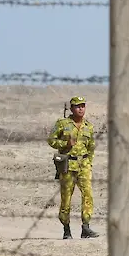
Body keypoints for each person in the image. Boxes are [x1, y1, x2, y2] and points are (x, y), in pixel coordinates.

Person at [46, 95, 99, 240]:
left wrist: (89, 162)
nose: (81, 108)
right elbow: (51, 140)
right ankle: (66, 229)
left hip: (84, 166)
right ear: (72, 108)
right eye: (77, 106)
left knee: (88, 195)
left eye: (83, 106)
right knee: (66, 198)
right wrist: (65, 145)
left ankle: (85, 227)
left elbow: (91, 147)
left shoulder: (88, 126)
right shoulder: (63, 124)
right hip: (68, 165)